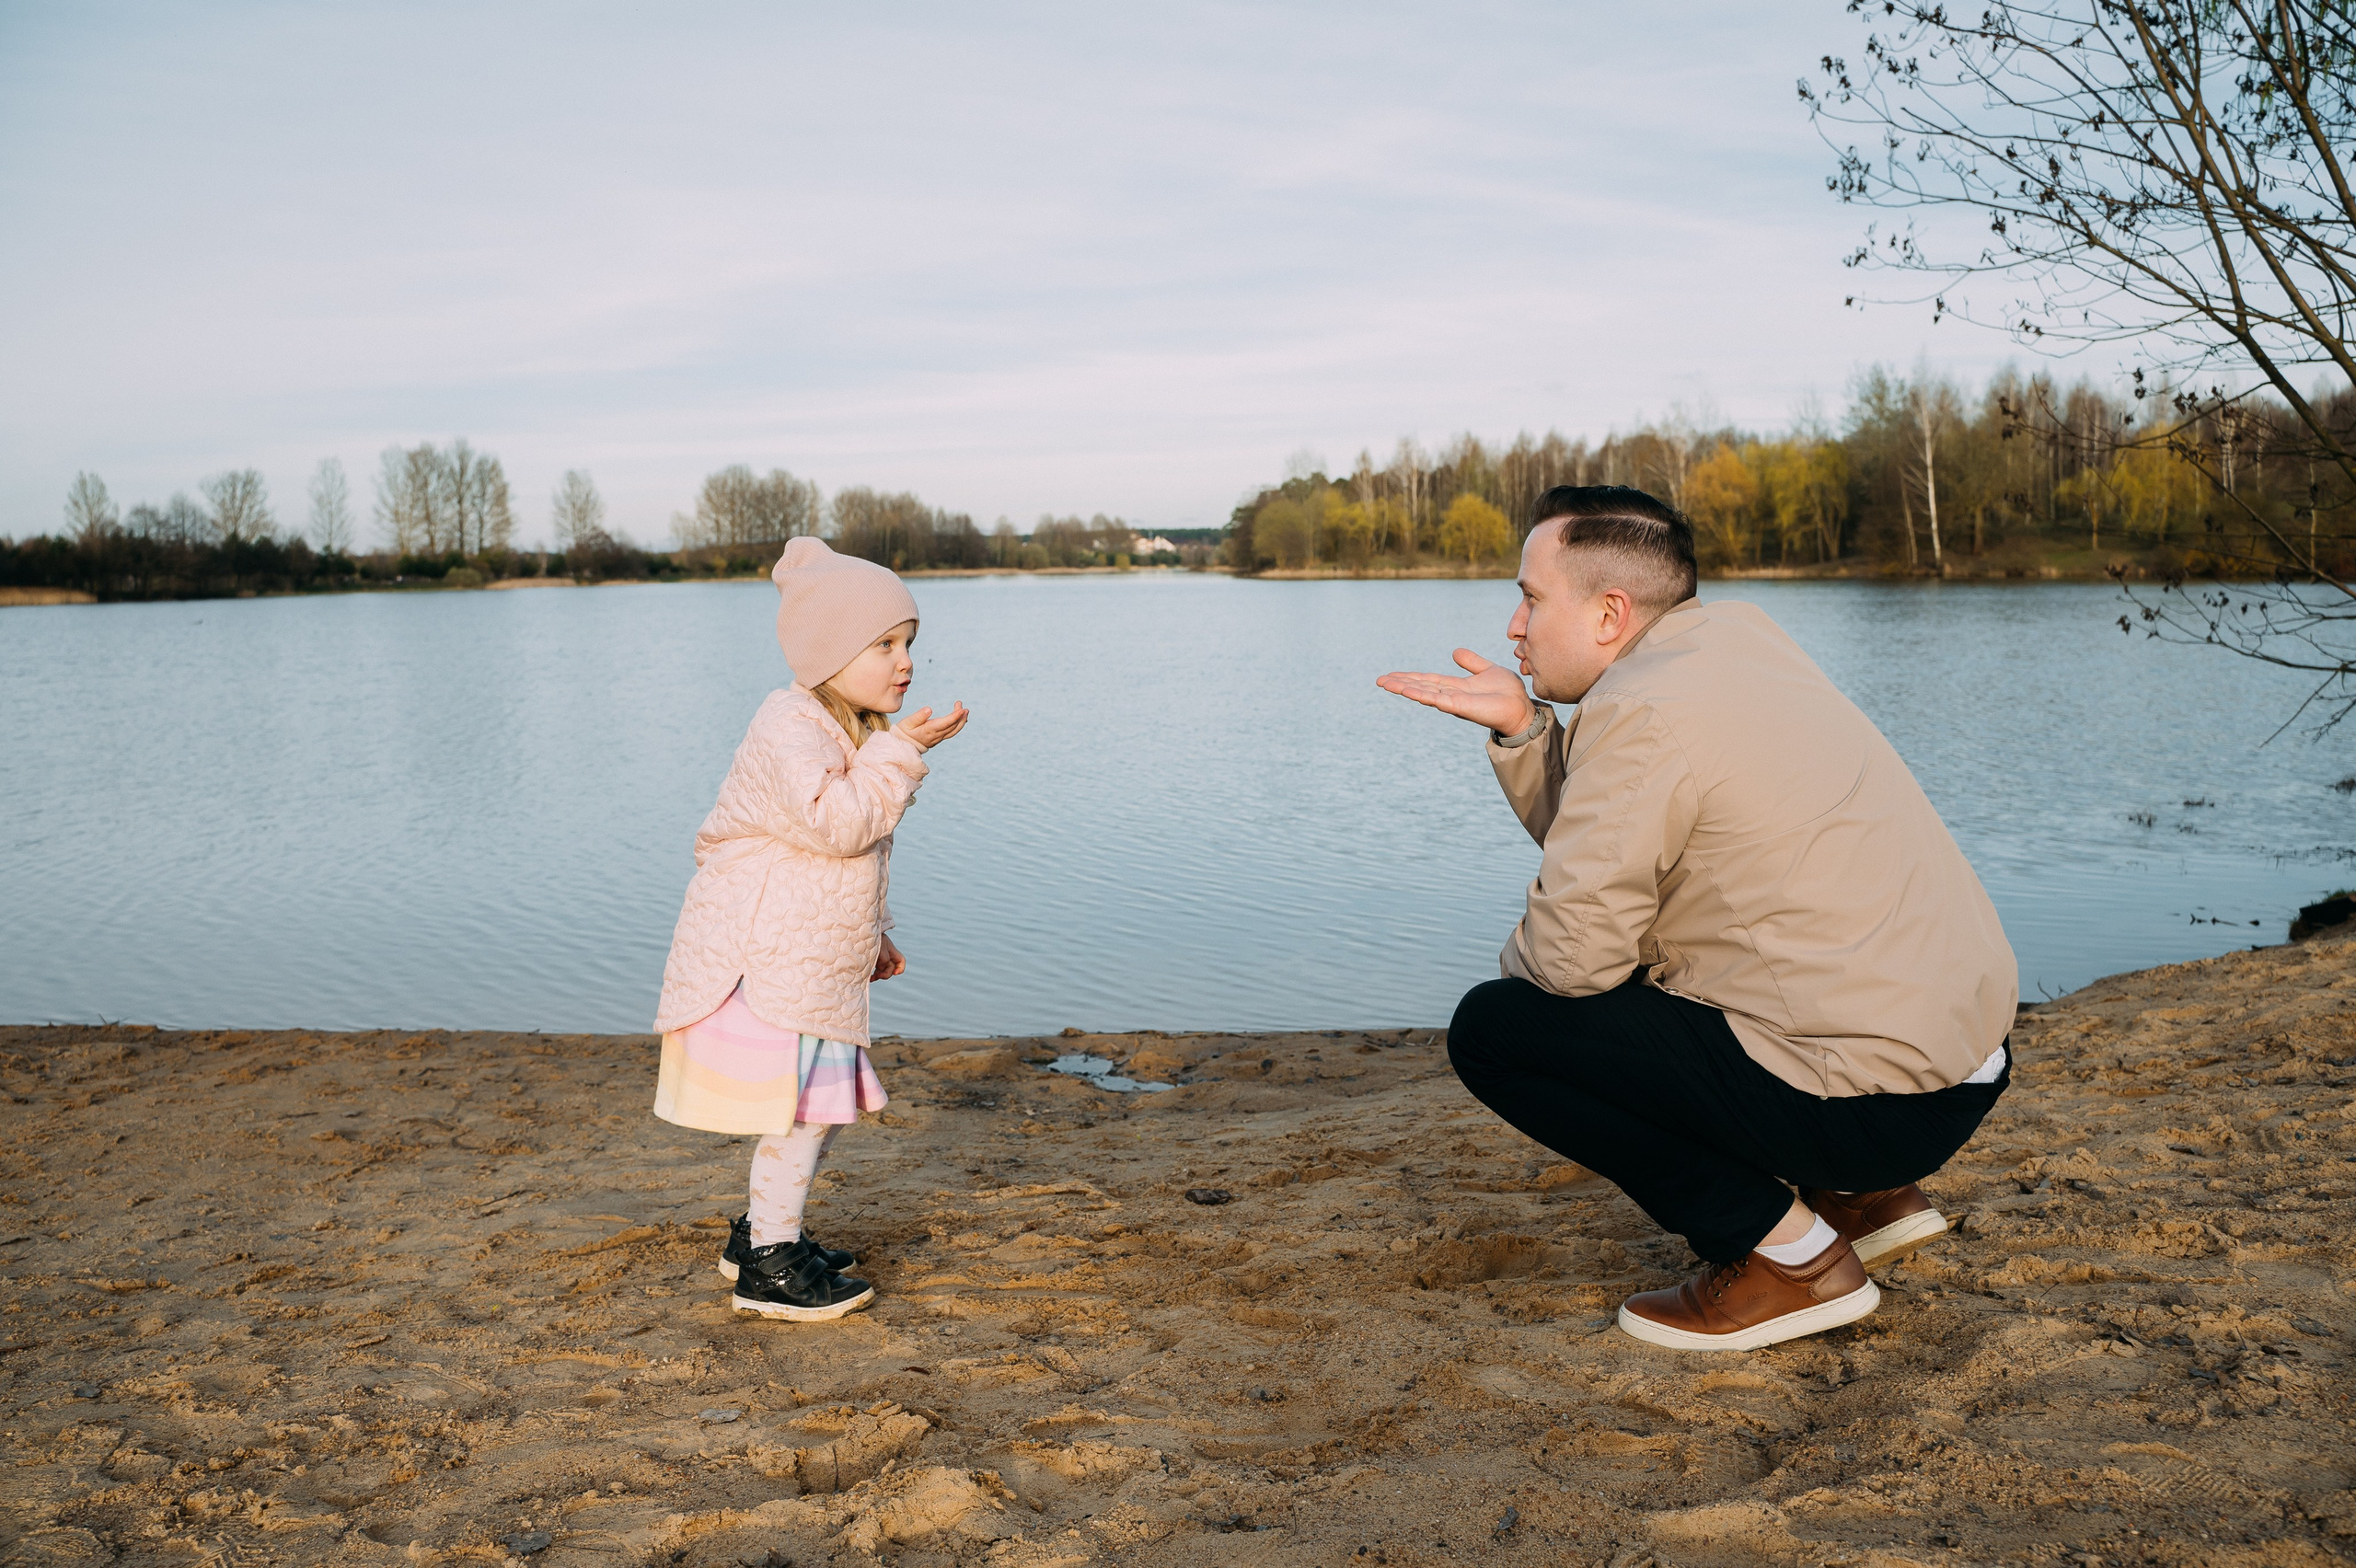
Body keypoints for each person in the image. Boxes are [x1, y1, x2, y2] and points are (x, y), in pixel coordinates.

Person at [1377, 486, 2015, 1352]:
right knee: (1647, 964)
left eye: (1530, 597)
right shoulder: (1737, 642)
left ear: (1610, 613)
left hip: (1877, 1105)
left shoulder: (1639, 711)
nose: (1513, 627)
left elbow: (1569, 961)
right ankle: (1863, 1202)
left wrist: (1553, 997)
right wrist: (1528, 731)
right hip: (1964, 1061)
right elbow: (1619, 835)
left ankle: (1791, 1259)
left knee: (1500, 1031)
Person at [652, 536, 969, 1323]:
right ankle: (770, 1262)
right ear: (830, 653)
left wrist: (876, 932)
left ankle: (762, 1233)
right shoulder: (788, 723)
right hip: (766, 958)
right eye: (885, 645)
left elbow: (854, 860)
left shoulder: (845, 725)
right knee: (802, 1109)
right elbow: (839, 824)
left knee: (817, 1105)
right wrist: (901, 752)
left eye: (909, 643)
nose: (905, 663)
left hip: (806, 954)